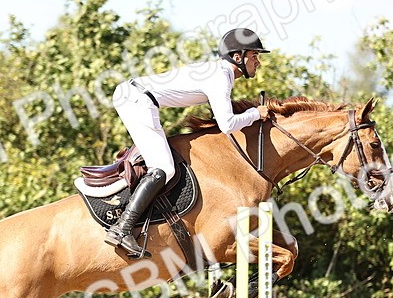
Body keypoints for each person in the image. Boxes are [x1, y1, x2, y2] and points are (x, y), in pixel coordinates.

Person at [106, 28, 272, 257]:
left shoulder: (219, 73)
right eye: (254, 56)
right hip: (137, 100)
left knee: (164, 164)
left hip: (137, 98)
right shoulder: (220, 77)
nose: (258, 62)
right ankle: (122, 228)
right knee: (164, 168)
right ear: (238, 57)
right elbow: (227, 125)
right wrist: (256, 113)